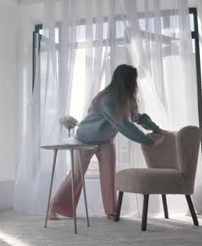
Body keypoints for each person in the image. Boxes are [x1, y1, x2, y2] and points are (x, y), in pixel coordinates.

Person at [48, 64, 169, 220]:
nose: (136, 83)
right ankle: (53, 207)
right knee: (76, 176)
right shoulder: (107, 99)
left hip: (105, 141)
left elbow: (137, 117)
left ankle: (111, 211)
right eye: (134, 80)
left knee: (109, 175)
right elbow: (123, 125)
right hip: (85, 139)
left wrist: (157, 129)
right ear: (125, 80)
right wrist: (148, 141)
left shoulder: (127, 98)